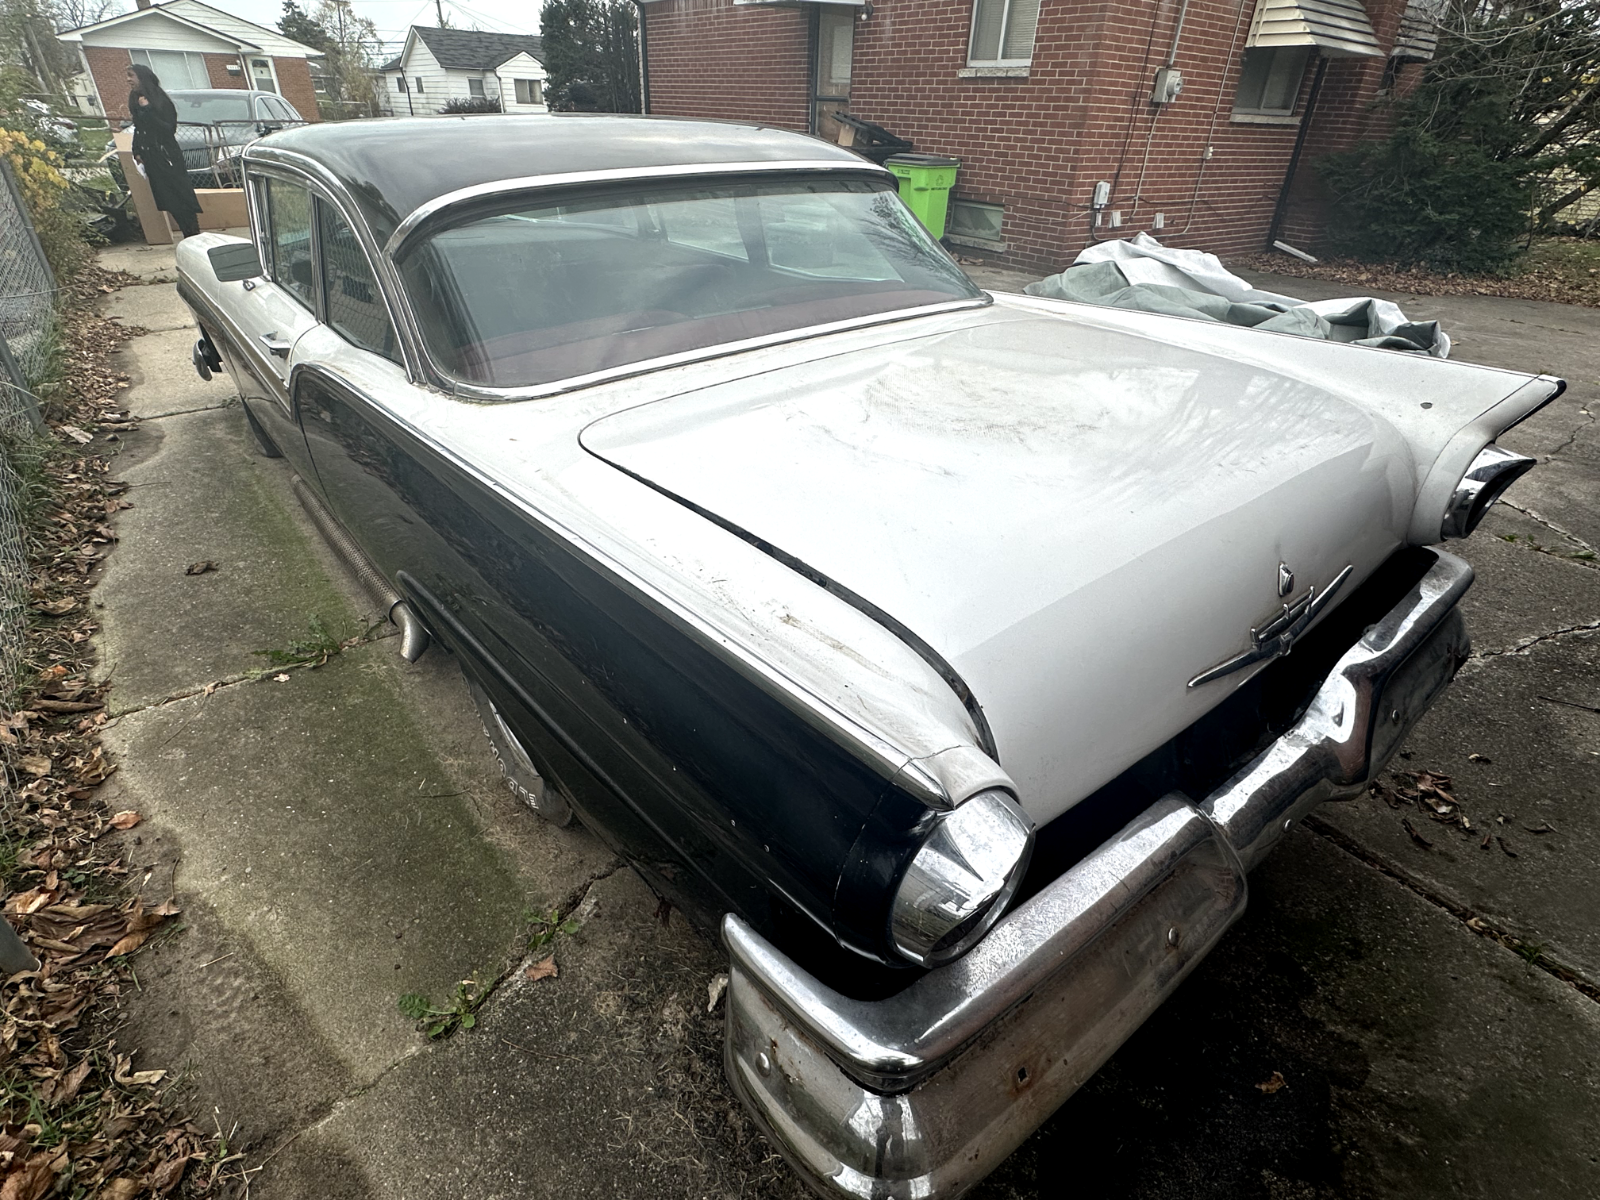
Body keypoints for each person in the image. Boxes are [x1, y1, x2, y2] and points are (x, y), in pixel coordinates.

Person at [126, 63, 202, 239]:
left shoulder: (160, 100)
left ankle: (192, 232)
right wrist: (136, 150)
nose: (128, 80)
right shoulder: (136, 99)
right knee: (167, 198)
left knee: (180, 195)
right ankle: (187, 232)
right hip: (151, 156)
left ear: (142, 77)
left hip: (167, 155)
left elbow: (168, 130)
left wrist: (148, 110)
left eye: (132, 76)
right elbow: (139, 127)